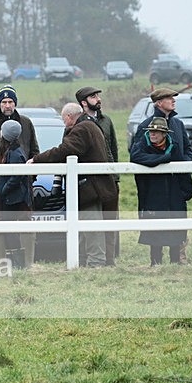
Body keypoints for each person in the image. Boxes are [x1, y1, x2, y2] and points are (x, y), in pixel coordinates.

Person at [28, 103, 116, 268]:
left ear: (69, 117)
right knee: (83, 226)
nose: (64, 124)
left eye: (64, 120)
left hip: (90, 187)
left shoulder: (81, 129)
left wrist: (37, 159)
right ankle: (83, 261)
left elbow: (65, 149)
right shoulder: (91, 126)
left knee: (90, 226)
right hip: (95, 185)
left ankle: (96, 262)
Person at [133, 88, 192, 264]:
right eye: (169, 98)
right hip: (155, 186)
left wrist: (183, 167)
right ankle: (156, 262)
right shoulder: (145, 126)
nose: (173, 101)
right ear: (159, 103)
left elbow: (187, 150)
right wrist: (162, 161)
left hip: (176, 185)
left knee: (177, 222)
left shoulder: (178, 124)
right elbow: (137, 156)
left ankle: (176, 261)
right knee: (156, 224)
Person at [0, 85, 39, 265]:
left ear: (15, 103)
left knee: (25, 221)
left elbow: (34, 151)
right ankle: (1, 262)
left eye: (10, 102)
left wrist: (31, 176)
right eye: (4, 102)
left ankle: (28, 263)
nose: (7, 105)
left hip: (23, 183)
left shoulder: (26, 123)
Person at [75, 86, 119, 266]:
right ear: (84, 102)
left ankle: (110, 260)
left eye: (98, 96)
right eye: (93, 97)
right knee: (89, 225)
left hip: (109, 181)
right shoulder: (79, 123)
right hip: (89, 183)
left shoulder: (106, 121)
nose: (98, 99)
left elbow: (113, 149)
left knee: (110, 222)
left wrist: (115, 176)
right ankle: (84, 260)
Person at [0, 120, 31, 269]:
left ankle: (18, 263)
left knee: (11, 232)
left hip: (11, 199)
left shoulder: (15, 153)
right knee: (9, 231)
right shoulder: (12, 151)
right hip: (9, 198)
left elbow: (16, 177)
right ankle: (14, 263)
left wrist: (3, 190)